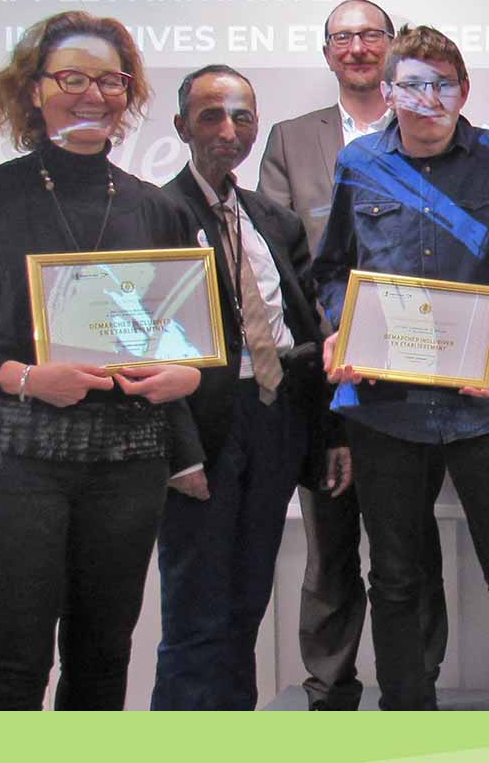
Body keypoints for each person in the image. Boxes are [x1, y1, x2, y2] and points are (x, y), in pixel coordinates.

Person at [313, 25, 489, 711]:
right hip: (387, 409)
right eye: (413, 84)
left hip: (485, 407)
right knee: (393, 579)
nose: (428, 99)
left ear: (464, 91)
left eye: (443, 84)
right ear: (387, 91)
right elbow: (333, 270)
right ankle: (407, 723)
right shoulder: (358, 162)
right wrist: (341, 328)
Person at [0, 11, 202, 709]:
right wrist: (23, 378)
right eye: (71, 77)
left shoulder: (156, 208)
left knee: (103, 660)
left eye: (110, 80)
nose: (92, 94)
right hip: (16, 458)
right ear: (33, 88)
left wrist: (187, 374)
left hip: (129, 462)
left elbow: (195, 343)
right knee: (8, 665)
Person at [258, 0, 447, 711]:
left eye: (372, 34)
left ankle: (416, 684)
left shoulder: (433, 133)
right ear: (327, 51)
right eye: (345, 36)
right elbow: (282, 259)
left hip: (422, 377)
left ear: (394, 45)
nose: (359, 47)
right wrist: (339, 333)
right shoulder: (292, 138)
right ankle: (330, 692)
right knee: (331, 549)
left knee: (411, 546)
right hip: (332, 378)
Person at [154, 65, 340, 709]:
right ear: (181, 126)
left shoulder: (273, 219)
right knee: (194, 612)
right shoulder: (156, 213)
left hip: (275, 420)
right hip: (201, 427)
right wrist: (179, 452)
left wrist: (328, 435)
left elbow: (310, 330)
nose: (229, 131)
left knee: (247, 604)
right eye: (211, 116)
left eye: (242, 117)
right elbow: (147, 348)